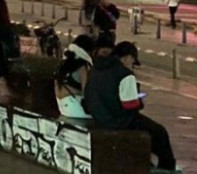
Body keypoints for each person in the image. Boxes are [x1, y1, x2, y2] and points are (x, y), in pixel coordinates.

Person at [85, 42, 176, 172]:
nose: (132, 65)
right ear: (127, 57)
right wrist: (138, 100)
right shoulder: (125, 74)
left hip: (99, 117)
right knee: (159, 132)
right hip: (118, 121)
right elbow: (130, 105)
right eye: (132, 61)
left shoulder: (96, 68)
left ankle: (149, 161)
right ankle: (167, 168)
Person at [55, 34, 95, 118]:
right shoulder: (81, 66)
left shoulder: (62, 64)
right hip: (76, 108)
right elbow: (87, 92)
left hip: (62, 107)